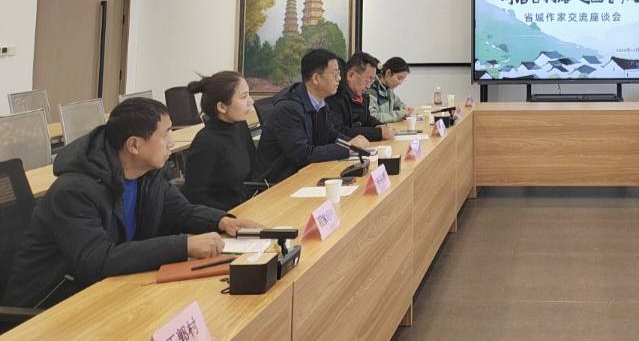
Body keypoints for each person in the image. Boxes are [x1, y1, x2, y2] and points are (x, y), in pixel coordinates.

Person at [3, 98, 262, 309]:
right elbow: (96, 260)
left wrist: (222, 220)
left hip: (107, 291)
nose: (172, 142)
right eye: (166, 134)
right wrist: (183, 245)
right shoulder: (74, 191)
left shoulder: (147, 175)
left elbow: (180, 212)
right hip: (51, 305)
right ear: (134, 145)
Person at [253, 48, 370, 184]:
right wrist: (348, 147)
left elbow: (330, 135)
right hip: (278, 183)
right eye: (335, 74)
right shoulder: (288, 109)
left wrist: (353, 144)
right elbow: (303, 154)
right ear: (316, 78)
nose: (339, 79)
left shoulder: (321, 103)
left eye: (339, 73)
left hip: (306, 174)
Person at [181, 71, 260, 211]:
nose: (251, 101)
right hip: (223, 217)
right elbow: (196, 197)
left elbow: (252, 171)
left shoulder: (239, 127)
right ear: (222, 107)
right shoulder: (206, 142)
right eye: (243, 97)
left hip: (246, 207)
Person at [327, 52, 395, 141]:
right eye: (367, 80)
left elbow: (366, 119)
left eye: (372, 81)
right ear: (350, 75)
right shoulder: (334, 96)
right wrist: (378, 133)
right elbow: (340, 131)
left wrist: (380, 126)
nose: (369, 86)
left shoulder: (361, 96)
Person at [369, 57, 413, 123]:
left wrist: (405, 109)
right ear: (388, 73)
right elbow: (373, 117)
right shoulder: (371, 90)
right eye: (399, 78)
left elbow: (398, 104)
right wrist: (400, 114)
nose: (400, 83)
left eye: (403, 80)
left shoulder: (388, 89)